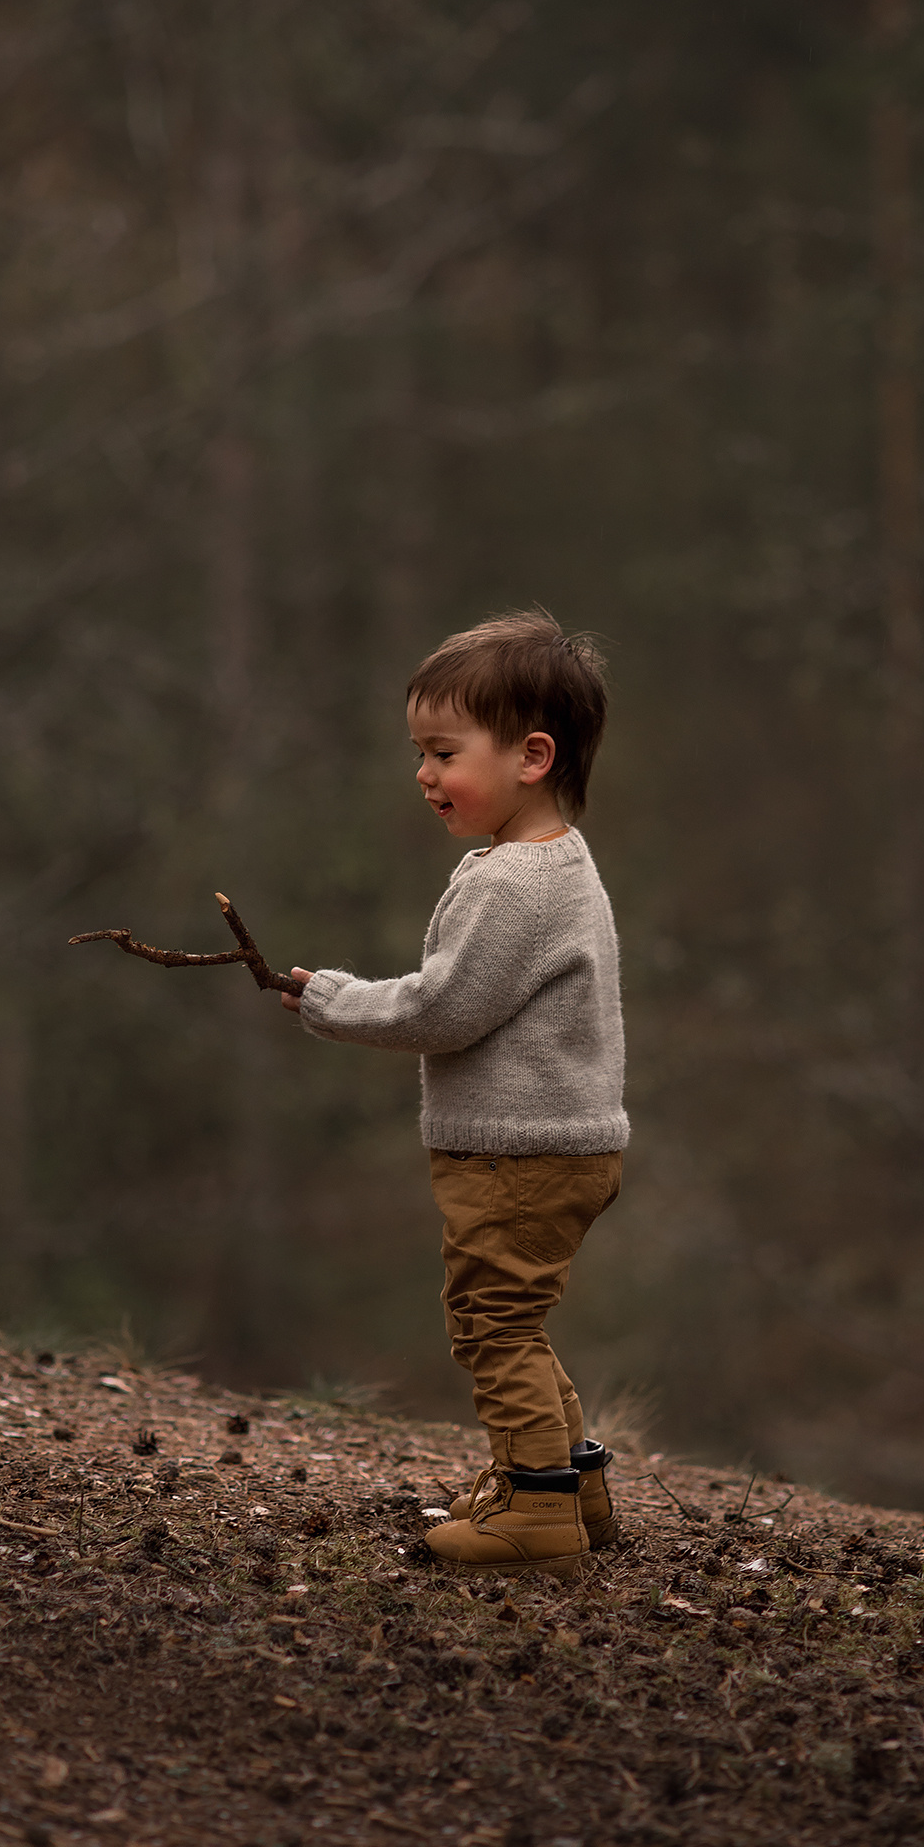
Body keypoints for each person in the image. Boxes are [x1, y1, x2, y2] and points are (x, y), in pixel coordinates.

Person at [280, 609, 629, 1578]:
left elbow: (441, 1012)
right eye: (418, 753)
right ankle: (566, 1486)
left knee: (492, 1325)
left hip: (520, 1153)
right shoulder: (555, 862)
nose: (423, 774)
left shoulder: (511, 883)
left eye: (442, 752)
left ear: (530, 755)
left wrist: (332, 1000)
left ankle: (537, 1518)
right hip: (562, 1146)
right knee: (513, 1320)